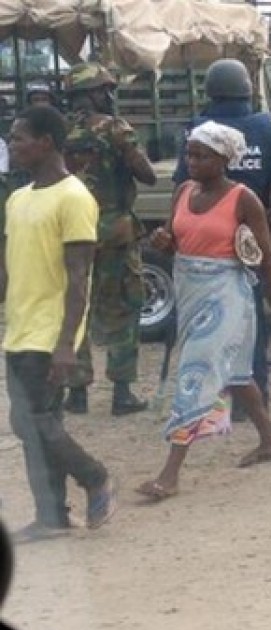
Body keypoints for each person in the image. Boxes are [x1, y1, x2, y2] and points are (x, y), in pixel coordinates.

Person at [137, 122, 271, 500]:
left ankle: (170, 474)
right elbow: (173, 240)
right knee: (237, 373)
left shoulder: (244, 200)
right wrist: (162, 241)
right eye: (189, 154)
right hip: (190, 292)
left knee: (196, 373)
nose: (192, 162)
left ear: (225, 158)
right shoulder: (182, 191)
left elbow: (267, 259)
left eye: (201, 155)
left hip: (227, 297)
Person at [1, 105, 117, 541]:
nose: (12, 145)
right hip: (19, 327)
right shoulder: (18, 198)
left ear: (46, 142)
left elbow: (78, 278)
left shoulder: (74, 198)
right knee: (29, 424)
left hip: (50, 331)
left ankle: (95, 477)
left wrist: (66, 343)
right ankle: (50, 516)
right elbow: (9, 267)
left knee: (35, 421)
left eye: (19, 137)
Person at [173, 58, 271, 418]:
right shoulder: (267, 129)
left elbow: (180, 187)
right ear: (247, 88)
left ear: (209, 90)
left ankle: (211, 400)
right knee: (249, 323)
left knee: (201, 329)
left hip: (207, 246)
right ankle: (255, 401)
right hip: (250, 243)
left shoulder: (198, 130)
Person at [62, 62, 156, 417]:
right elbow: (146, 175)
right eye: (104, 89)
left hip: (72, 232)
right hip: (114, 230)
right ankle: (121, 392)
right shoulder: (116, 128)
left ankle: (77, 393)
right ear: (92, 92)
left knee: (75, 308)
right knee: (123, 307)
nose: (109, 95)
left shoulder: (58, 131)